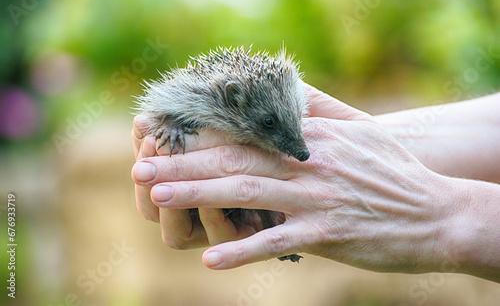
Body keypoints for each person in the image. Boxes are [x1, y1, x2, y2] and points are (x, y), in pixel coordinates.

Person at [131, 82, 500, 283]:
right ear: (232, 99)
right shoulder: (199, 101)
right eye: (271, 125)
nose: (300, 151)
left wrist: (445, 214)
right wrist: (374, 147)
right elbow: (160, 112)